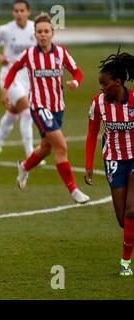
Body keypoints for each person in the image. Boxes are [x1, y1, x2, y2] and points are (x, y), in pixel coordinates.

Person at [2, 12, 90, 204]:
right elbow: (13, 70)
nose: (43, 35)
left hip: (58, 107)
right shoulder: (28, 55)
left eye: (46, 31)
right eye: (39, 31)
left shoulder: (61, 53)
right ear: (34, 34)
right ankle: (74, 191)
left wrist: (75, 82)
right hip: (39, 107)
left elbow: (77, 72)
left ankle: (24, 167)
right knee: (61, 146)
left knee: (46, 148)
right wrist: (6, 91)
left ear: (52, 33)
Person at [84, 49, 134, 276]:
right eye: (100, 85)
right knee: (123, 219)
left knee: (132, 211)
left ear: (118, 81)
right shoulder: (98, 103)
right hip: (113, 161)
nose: (102, 88)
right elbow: (92, 133)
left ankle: (125, 263)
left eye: (105, 84)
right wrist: (87, 166)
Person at [0, 0, 37, 167]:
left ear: (28, 12)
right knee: (27, 111)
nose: (19, 13)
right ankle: (31, 155)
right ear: (12, 12)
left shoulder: (35, 29)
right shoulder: (5, 30)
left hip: (28, 77)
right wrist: (0, 57)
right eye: (16, 10)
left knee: (13, 114)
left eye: (22, 10)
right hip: (10, 75)